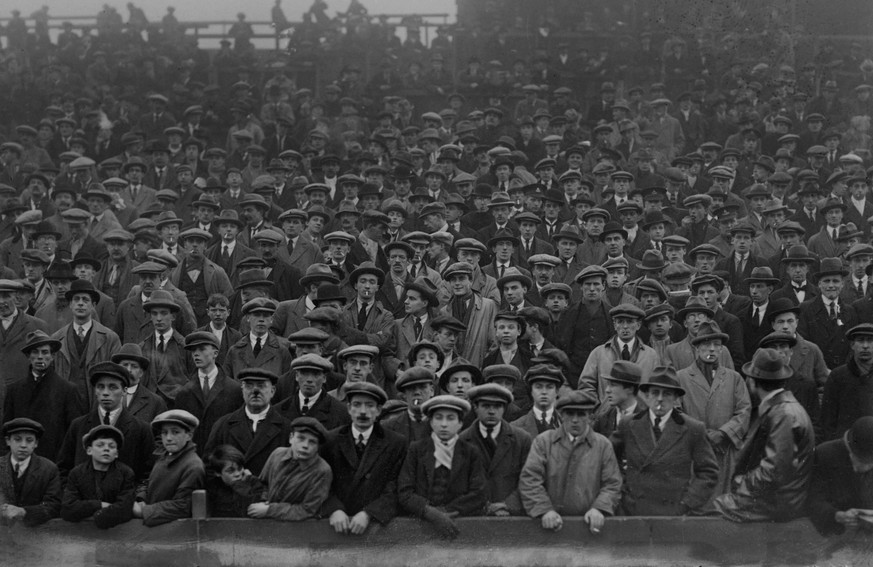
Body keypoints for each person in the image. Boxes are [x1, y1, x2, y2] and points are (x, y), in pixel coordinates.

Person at [715, 348, 815, 522]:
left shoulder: (783, 414)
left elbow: (775, 471)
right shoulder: (783, 408)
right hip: (781, 498)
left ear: (752, 382)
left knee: (714, 509)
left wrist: (741, 483)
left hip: (779, 504)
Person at [612, 366, 719, 516]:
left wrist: (687, 503)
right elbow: (609, 460)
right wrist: (624, 493)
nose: (660, 399)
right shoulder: (628, 424)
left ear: (676, 398)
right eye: (655, 393)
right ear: (647, 395)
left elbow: (709, 472)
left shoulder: (692, 428)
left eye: (667, 393)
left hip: (673, 513)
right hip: (634, 511)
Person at [518, 391, 622, 534]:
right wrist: (544, 510)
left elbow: (612, 483)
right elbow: (530, 479)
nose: (575, 419)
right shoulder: (544, 442)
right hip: (549, 527)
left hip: (589, 528)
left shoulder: (602, 445)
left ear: (589, 417)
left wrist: (599, 509)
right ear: (561, 415)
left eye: (581, 414)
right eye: (570, 414)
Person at [676, 322, 752, 497]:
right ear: (696, 347)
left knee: (722, 497)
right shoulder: (681, 377)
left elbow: (744, 410)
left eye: (716, 345)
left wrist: (723, 433)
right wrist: (700, 434)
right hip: (693, 450)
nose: (711, 349)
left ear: (721, 349)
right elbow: (676, 412)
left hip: (724, 450)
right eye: (706, 344)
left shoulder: (734, 378)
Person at [321, 382, 407, 534]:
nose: (363, 412)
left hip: (375, 528)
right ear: (348, 408)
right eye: (357, 405)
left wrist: (369, 513)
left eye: (369, 405)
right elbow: (321, 483)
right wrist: (334, 509)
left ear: (379, 410)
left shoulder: (396, 443)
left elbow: (395, 488)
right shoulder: (331, 440)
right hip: (336, 526)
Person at [398, 395, 487, 538]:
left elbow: (478, 493)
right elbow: (404, 492)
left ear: (460, 424)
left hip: (459, 524)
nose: (444, 424)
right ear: (431, 422)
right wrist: (429, 512)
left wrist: (446, 512)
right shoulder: (417, 449)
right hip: (420, 525)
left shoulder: (470, 452)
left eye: (451, 418)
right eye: (438, 418)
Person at [56, 362, 154, 484]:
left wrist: (138, 499)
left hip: (124, 500)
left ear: (124, 391)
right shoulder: (78, 426)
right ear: (95, 391)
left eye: (113, 387)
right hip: (84, 501)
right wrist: (72, 497)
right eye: (100, 387)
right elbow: (63, 469)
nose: (106, 392)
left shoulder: (141, 429)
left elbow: (148, 473)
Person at [3, 330, 82, 460]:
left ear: (53, 356)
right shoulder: (14, 390)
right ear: (28, 357)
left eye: (45, 352)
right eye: (35, 352)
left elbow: (74, 435)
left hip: (54, 463)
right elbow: (5, 432)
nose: (40, 357)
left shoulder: (68, 390)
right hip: (20, 461)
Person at [460, 383, 533, 516]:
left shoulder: (522, 439)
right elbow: (458, 485)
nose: (492, 411)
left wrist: (507, 505)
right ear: (475, 407)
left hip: (512, 518)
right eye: (486, 406)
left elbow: (529, 479)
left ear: (505, 408)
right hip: (474, 518)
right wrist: (484, 507)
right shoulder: (462, 441)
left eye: (497, 406)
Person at [204, 368, 292, 476]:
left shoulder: (286, 428)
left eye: (261, 386)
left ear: (272, 391)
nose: (255, 391)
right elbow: (209, 469)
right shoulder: (223, 425)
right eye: (249, 386)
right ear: (242, 390)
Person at [248, 417, 332, 522]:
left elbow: (307, 510)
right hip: (265, 521)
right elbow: (263, 484)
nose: (305, 446)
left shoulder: (322, 471)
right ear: (291, 438)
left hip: (296, 528)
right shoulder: (277, 454)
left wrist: (270, 510)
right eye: (301, 438)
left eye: (312, 442)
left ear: (318, 446)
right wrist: (264, 501)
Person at [173, 331, 243, 454]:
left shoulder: (234, 390)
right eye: (193, 350)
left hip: (222, 458)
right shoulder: (184, 393)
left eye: (202, 349)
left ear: (215, 353)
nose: (196, 354)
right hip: (193, 459)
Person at [133, 410, 205, 527]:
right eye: (164, 433)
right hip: (155, 527)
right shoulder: (164, 456)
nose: (168, 438)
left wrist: (144, 511)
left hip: (174, 532)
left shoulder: (193, 466)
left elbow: (182, 506)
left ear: (189, 436)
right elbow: (150, 483)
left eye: (175, 432)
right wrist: (141, 499)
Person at [579, 303, 659, 403]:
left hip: (640, 415)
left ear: (638, 325)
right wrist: (599, 409)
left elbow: (656, 387)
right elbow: (586, 385)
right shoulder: (599, 353)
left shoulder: (650, 355)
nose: (625, 326)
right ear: (614, 325)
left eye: (630, 322)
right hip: (607, 415)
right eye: (620, 322)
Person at [60, 425, 135, 529]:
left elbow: (125, 508)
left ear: (116, 453)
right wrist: (100, 505)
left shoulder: (126, 473)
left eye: (112, 446)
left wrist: (101, 515)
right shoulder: (77, 473)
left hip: (115, 531)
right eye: (100, 445)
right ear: (89, 450)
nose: (106, 449)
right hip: (81, 532)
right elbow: (68, 508)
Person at [807, 416, 873, 535]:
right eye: (859, 459)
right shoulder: (824, 454)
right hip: (833, 534)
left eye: (869, 463)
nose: (861, 468)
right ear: (848, 448)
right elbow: (812, 501)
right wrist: (836, 515)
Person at [0, 418, 61, 527]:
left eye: (29, 440)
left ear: (36, 443)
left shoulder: (49, 469)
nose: (23, 445)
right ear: (8, 441)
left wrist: (24, 512)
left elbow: (53, 506)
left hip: (34, 534)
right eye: (17, 439)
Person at [821, 323, 873, 441]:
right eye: (860, 340)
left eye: (870, 341)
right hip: (846, 445)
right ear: (852, 345)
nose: (865, 346)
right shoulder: (838, 376)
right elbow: (828, 420)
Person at [110, 343, 167, 424]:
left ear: (141, 373)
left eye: (134, 366)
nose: (129, 370)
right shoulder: (105, 397)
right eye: (125, 365)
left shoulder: (155, 402)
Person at [204, 445, 266, 518]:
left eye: (240, 468)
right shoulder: (212, 488)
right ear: (218, 473)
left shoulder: (254, 483)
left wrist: (241, 485)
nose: (237, 474)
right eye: (231, 471)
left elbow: (250, 511)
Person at [381, 367, 435, 444]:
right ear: (404, 395)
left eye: (422, 387)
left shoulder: (443, 424)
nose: (417, 392)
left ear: (432, 391)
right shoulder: (388, 427)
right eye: (411, 388)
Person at [592, 360, 645, 438]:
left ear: (630, 389)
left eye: (613, 385)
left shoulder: (646, 419)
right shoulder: (602, 419)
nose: (607, 390)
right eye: (608, 385)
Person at [511, 364, 564, 438]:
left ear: (557, 391)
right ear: (531, 391)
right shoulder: (515, 428)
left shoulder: (566, 424)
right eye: (538, 387)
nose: (544, 392)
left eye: (549, 387)